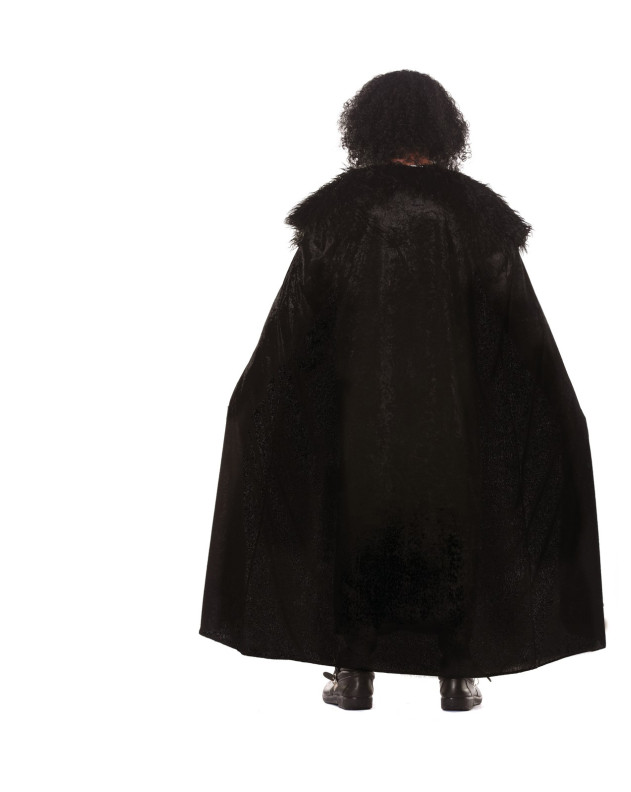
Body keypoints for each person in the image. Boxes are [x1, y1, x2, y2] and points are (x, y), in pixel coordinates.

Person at [199, 69, 606, 712]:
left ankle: (354, 676)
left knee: (351, 528)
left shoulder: (336, 216)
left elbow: (292, 333)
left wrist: (257, 406)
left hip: (355, 428)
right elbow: (521, 334)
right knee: (455, 527)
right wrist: (556, 413)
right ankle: (457, 678)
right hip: (455, 429)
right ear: (445, 131)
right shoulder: (477, 217)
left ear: (365, 129)